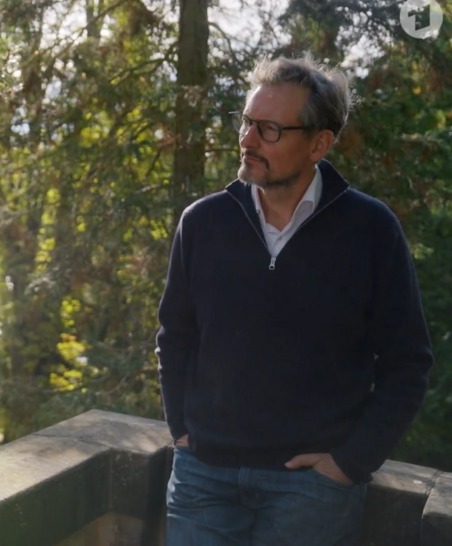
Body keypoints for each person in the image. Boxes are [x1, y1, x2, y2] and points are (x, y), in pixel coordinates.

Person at [156, 56, 433, 545]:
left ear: (319, 144)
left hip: (311, 492)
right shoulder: (202, 222)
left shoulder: (370, 230)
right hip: (204, 477)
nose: (247, 140)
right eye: (246, 122)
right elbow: (175, 336)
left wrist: (348, 464)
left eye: (268, 129)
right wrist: (181, 431)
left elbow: (407, 361)